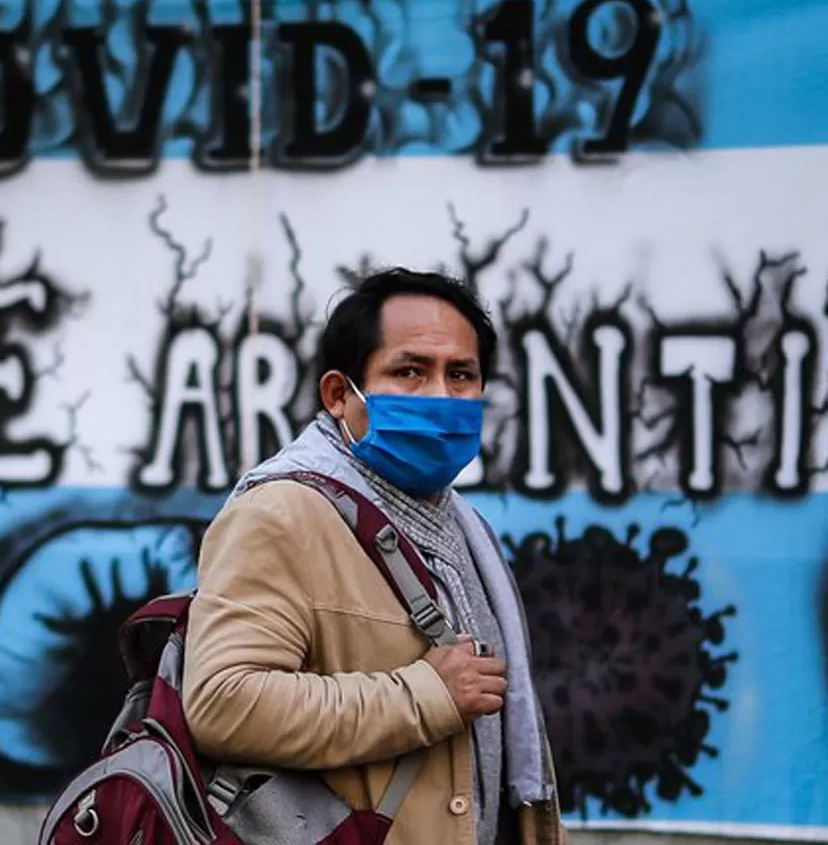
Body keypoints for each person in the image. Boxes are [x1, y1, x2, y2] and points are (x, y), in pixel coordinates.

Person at [181, 268, 566, 844]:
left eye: (461, 375)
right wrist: (425, 695)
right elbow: (224, 702)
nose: (441, 396)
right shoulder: (284, 513)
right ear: (340, 395)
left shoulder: (460, 524)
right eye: (410, 371)